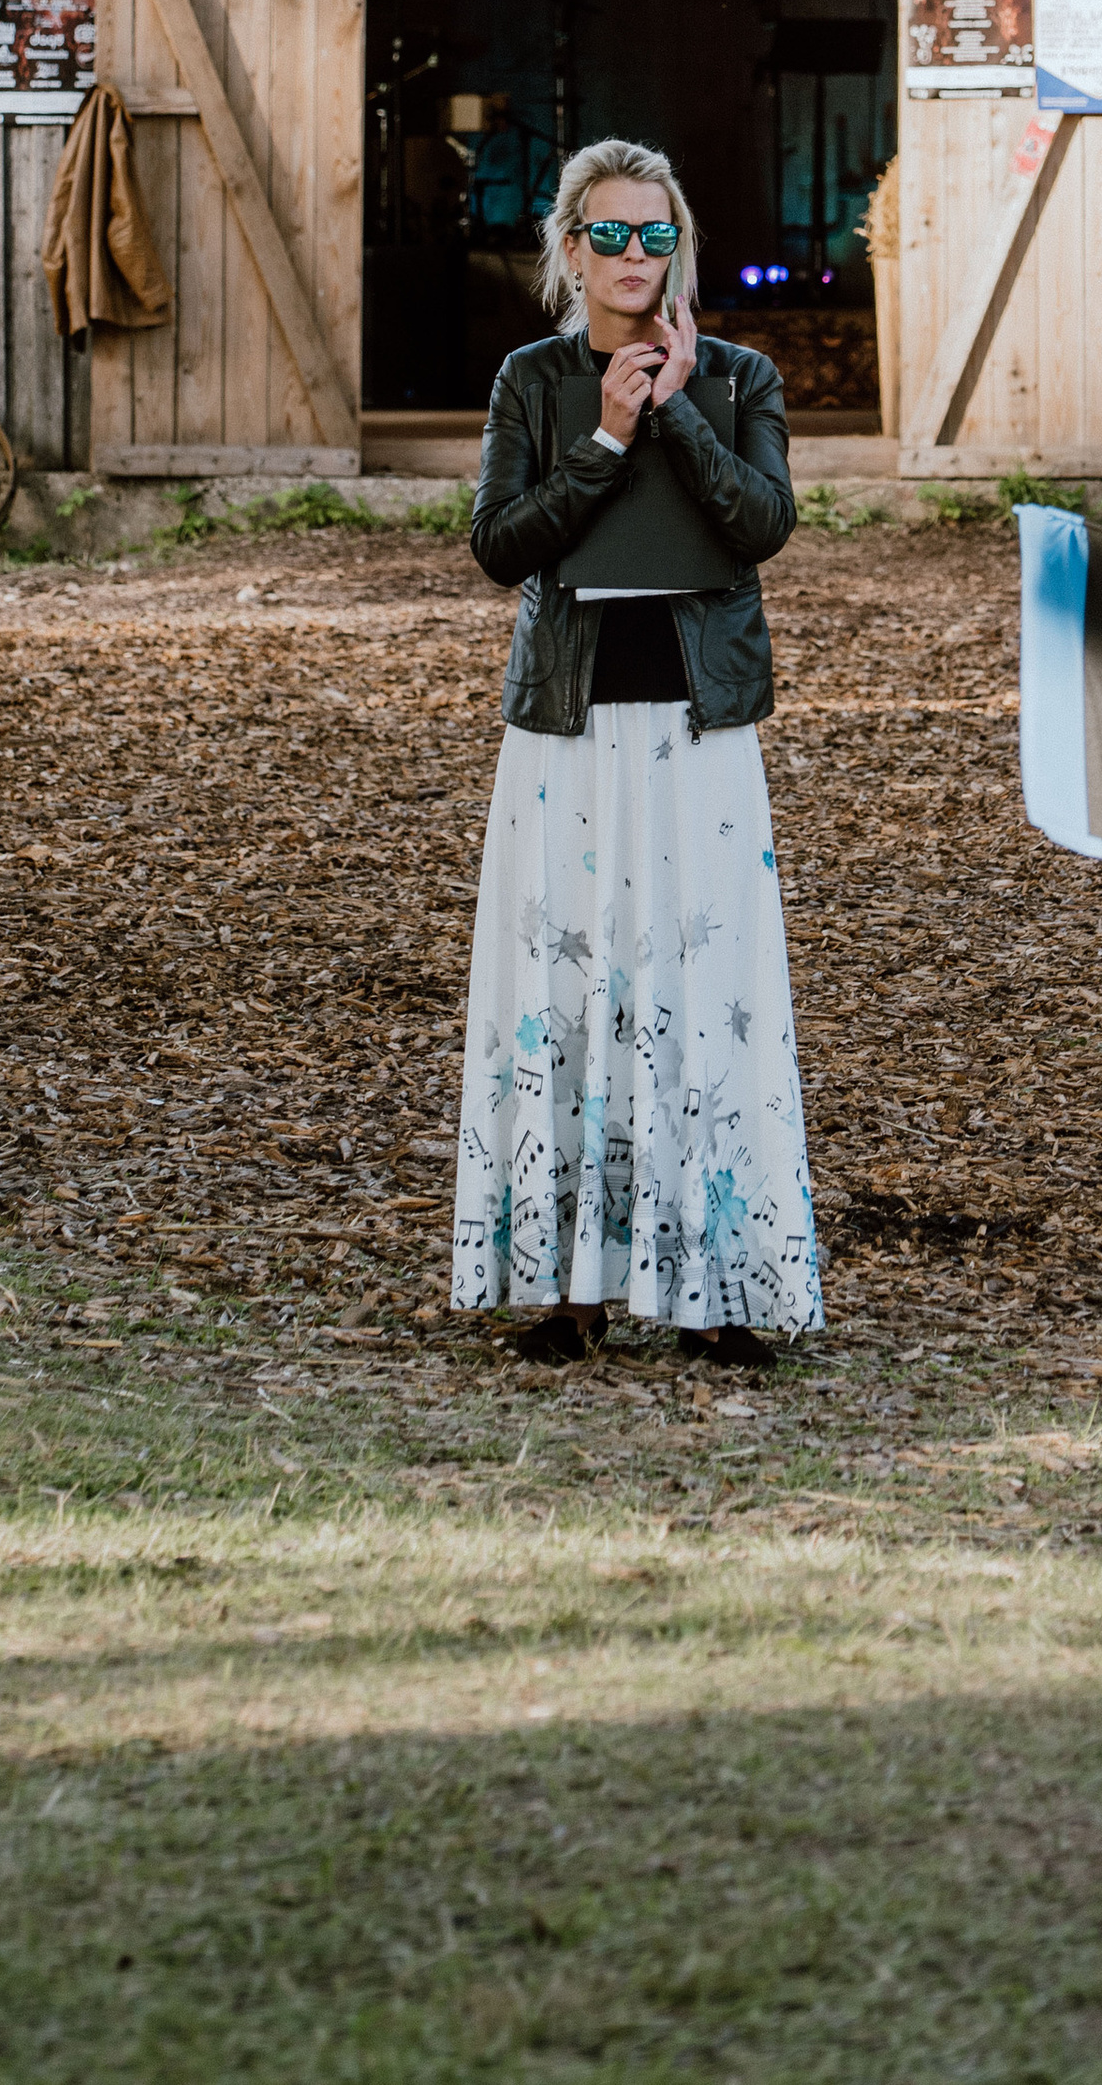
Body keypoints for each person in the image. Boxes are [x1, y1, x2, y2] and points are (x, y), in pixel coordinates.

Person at [450, 135, 820, 1370]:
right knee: (570, 986)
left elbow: (761, 524)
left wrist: (676, 414)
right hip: (566, 730)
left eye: (654, 234)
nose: (631, 255)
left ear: (678, 246)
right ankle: (567, 1289)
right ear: (570, 248)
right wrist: (605, 437)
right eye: (606, 233)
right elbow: (500, 545)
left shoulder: (743, 377)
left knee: (701, 990)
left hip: (700, 732)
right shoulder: (530, 379)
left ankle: (714, 1287)